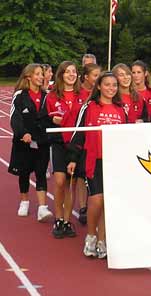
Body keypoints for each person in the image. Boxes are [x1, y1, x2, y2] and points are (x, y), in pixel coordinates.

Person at [67, 71, 128, 259]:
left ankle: (103, 241)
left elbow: (128, 135)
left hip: (114, 161)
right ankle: (91, 236)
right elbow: (79, 133)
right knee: (96, 199)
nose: (111, 88)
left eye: (114, 85)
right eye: (107, 84)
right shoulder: (89, 107)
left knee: (108, 203)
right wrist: (73, 158)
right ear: (99, 86)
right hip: (94, 160)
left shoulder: (121, 109)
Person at [9, 64, 53, 222]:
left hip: (42, 140)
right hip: (24, 142)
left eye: (42, 74)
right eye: (38, 74)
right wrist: (23, 133)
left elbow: (49, 116)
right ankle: (24, 201)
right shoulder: (20, 95)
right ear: (28, 77)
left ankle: (42, 207)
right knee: (24, 172)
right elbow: (15, 118)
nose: (41, 77)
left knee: (41, 171)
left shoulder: (47, 95)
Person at [41, 61, 80, 238]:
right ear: (61, 75)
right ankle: (58, 218)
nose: (71, 75)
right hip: (58, 144)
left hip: (75, 144)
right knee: (59, 182)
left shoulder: (84, 95)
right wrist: (52, 121)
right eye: (67, 72)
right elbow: (42, 120)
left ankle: (66, 220)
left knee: (70, 183)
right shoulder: (51, 96)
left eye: (74, 71)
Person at [63, 63, 101, 226]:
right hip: (81, 140)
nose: (97, 78)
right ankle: (83, 207)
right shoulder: (81, 95)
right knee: (79, 175)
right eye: (95, 75)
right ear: (86, 77)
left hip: (97, 143)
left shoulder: (105, 97)